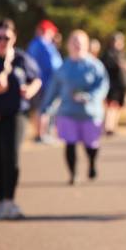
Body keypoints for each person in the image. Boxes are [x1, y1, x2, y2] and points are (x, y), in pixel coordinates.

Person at [40, 30, 109, 185]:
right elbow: (53, 89)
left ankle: (92, 163)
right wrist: (45, 108)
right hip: (67, 112)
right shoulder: (63, 67)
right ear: (68, 45)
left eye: (80, 42)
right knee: (70, 144)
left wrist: (89, 96)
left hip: (90, 113)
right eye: (74, 42)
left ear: (86, 45)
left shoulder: (95, 66)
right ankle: (73, 174)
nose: (77, 45)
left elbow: (103, 86)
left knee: (91, 145)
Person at [0, 19, 41, 219]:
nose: (2, 42)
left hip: (15, 115)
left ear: (14, 38)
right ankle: (0, 202)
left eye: (7, 38)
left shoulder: (21, 59)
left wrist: (30, 90)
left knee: (10, 158)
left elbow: (36, 79)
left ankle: (9, 201)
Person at [26, 19, 63, 143]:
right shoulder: (44, 44)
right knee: (44, 109)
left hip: (38, 82)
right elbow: (54, 65)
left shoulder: (34, 43)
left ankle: (41, 134)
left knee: (40, 108)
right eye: (51, 32)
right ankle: (41, 135)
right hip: (46, 82)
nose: (53, 34)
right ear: (46, 31)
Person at [100, 32, 126, 136]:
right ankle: (108, 127)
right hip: (113, 84)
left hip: (121, 84)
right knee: (111, 105)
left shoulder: (122, 54)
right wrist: (120, 65)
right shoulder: (109, 54)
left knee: (118, 106)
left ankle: (113, 126)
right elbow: (106, 67)